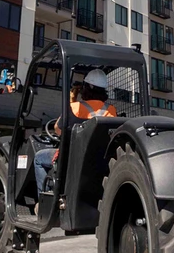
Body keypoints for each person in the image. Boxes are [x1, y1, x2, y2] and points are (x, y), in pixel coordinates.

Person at [32, 69, 117, 197]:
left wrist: (73, 98)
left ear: (86, 88)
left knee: (39, 158)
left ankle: (45, 198)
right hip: (98, 161)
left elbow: (58, 129)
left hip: (71, 159)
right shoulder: (111, 110)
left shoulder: (74, 107)